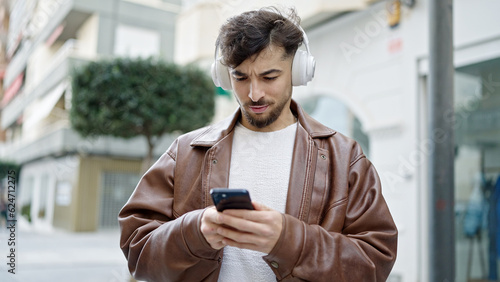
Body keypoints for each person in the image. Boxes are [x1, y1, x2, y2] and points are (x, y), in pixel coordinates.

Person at [119, 7, 397, 282]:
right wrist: (195, 232)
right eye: (240, 77)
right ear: (224, 76)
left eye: (269, 77)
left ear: (298, 71)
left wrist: (288, 241)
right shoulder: (186, 151)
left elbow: (374, 264)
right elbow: (138, 252)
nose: (254, 94)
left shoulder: (344, 157)